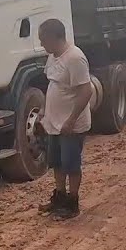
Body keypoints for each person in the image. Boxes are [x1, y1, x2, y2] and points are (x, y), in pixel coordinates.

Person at [36, 19, 94, 219]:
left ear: (54, 37)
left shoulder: (75, 58)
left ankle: (72, 203)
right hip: (54, 123)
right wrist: (43, 110)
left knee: (71, 164)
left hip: (71, 125)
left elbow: (86, 91)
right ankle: (59, 198)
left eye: (43, 39)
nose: (42, 44)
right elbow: (52, 85)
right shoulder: (53, 57)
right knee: (57, 163)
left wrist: (71, 120)